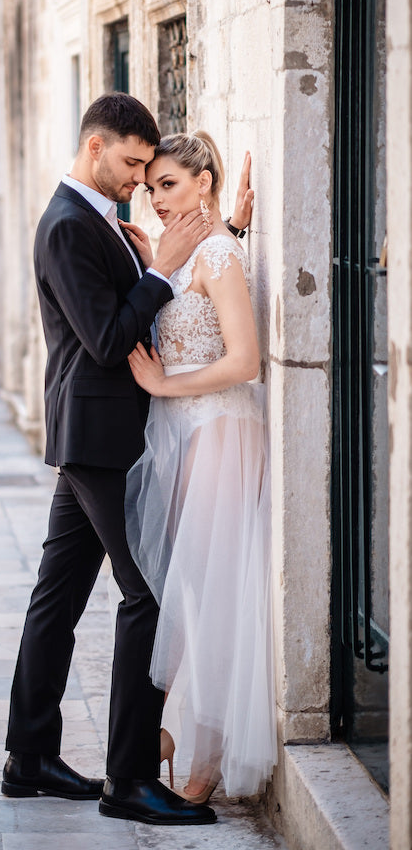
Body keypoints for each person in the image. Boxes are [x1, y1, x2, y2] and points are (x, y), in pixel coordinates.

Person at [2, 94, 251, 826]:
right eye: (133, 164)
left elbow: (181, 305)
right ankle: (130, 779)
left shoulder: (97, 221)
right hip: (101, 437)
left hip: (94, 434)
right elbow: (109, 340)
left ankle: (29, 757)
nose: (139, 179)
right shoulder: (67, 226)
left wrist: (219, 235)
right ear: (95, 148)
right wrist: (164, 266)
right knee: (148, 597)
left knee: (58, 593)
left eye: (153, 170)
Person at [123, 131, 276, 806]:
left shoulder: (215, 254)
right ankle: (160, 727)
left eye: (169, 185)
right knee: (176, 587)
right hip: (180, 430)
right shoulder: (190, 251)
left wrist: (164, 388)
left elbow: (243, 361)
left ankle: (206, 762)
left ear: (204, 182)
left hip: (217, 428)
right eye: (152, 186)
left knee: (212, 594)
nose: (156, 199)